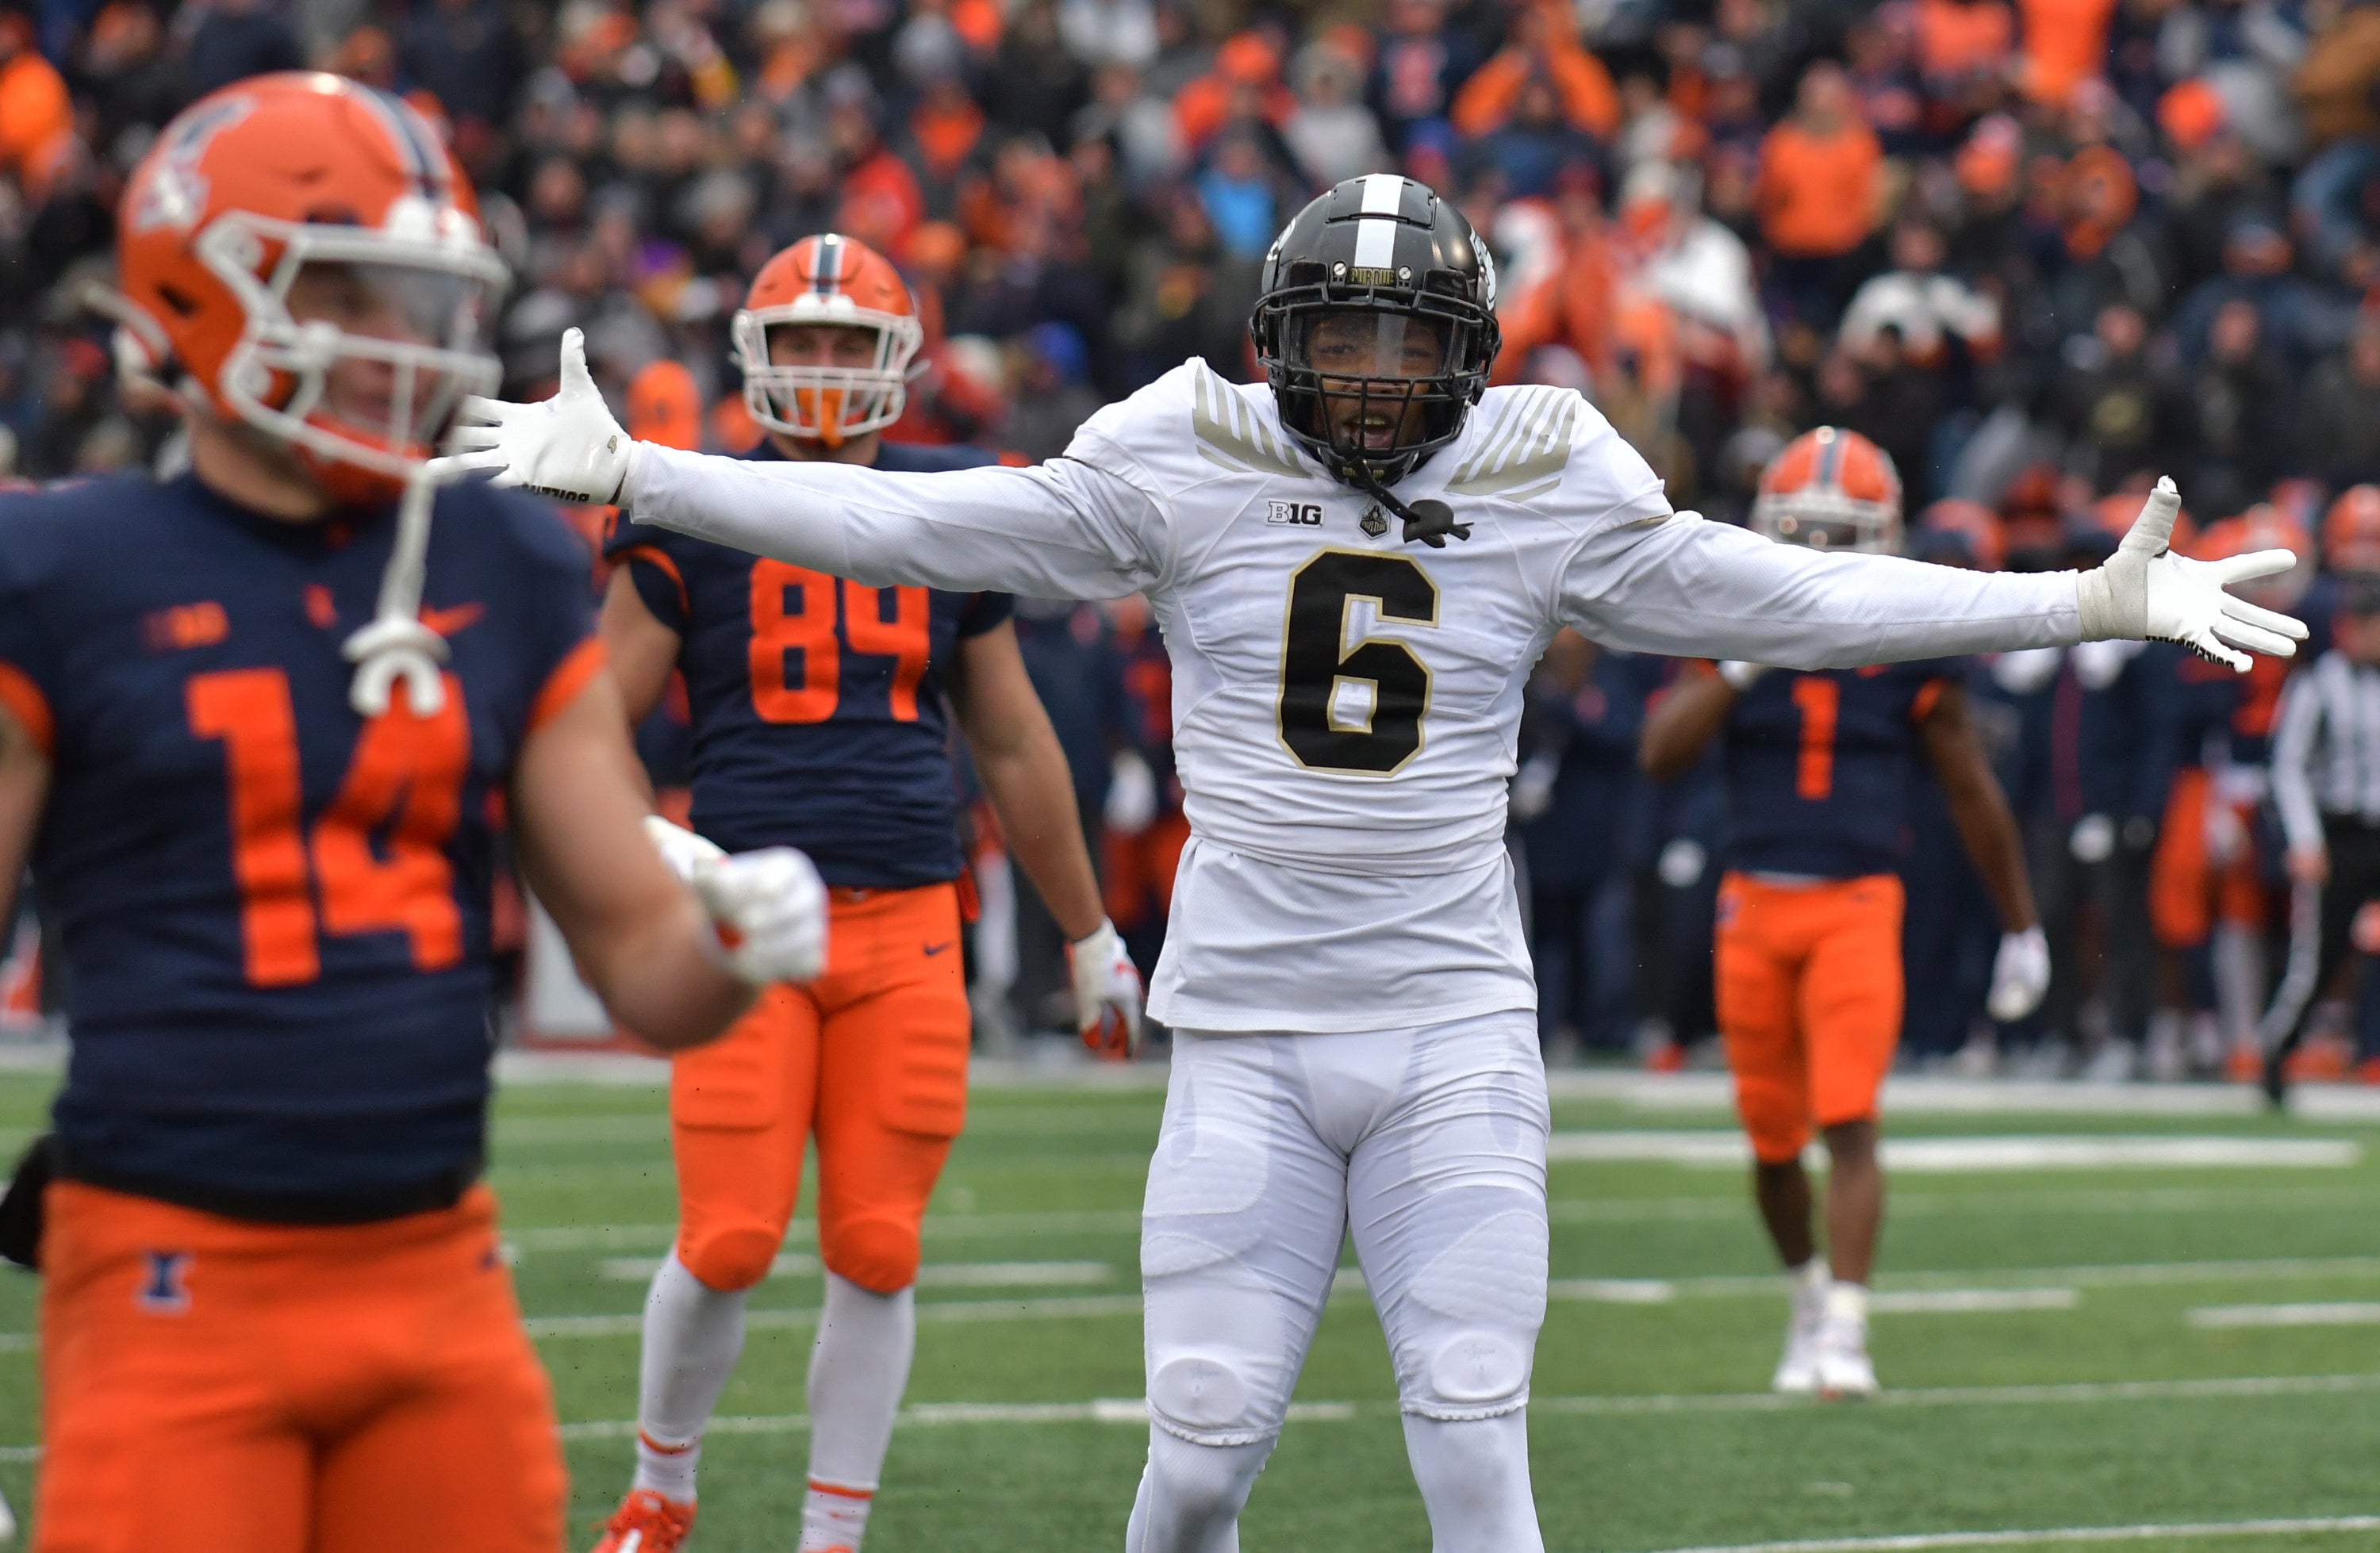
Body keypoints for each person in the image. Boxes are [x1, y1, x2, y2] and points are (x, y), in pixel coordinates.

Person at [450, 174, 2305, 1553]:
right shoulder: (1179, 456)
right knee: (1191, 1451)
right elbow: (919, 518)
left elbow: (1794, 592)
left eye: (1396, 341)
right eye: (1330, 338)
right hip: (1246, 1030)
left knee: (1474, 1436)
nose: (1359, 377)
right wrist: (656, 476)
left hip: (1447, 1030)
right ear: (1273, 343)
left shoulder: (1542, 470)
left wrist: (2078, 600)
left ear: (1464, 356)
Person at [0, 74, 827, 1551]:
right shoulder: (60, 573)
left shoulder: (499, 557)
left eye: (412, 300)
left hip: (435, 1274)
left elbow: (638, 953)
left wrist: (734, 949)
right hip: (166, 1272)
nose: (394, 344)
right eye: (349, 295)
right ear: (198, 298)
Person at [589, 232, 1139, 1553]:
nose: (827, 369)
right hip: (743, 930)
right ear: (754, 360)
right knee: (725, 1237)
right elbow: (588, 722)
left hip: (908, 923)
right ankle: (662, 1485)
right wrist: (659, 858)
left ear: (900, 363)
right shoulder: (692, 503)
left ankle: (831, 1535)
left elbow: (1009, 740)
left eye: (850, 343)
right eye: (803, 343)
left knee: (879, 1244)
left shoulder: (952, 501)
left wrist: (1088, 931)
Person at [1635, 428, 2050, 1398]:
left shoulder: (1905, 642)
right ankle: (1808, 1295)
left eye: (1839, 536)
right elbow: (1660, 754)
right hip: (1754, 903)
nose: (1818, 557)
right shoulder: (1728, 619)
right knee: (1774, 1139)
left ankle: (1850, 1328)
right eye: (1802, 534)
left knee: (1850, 1115)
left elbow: (1970, 786)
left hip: (1860, 900)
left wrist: (2020, 922)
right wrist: (1743, 660)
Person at [2260, 570, 2380, 1106]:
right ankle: (2277, 1051)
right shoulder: (2317, 683)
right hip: (2340, 834)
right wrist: (2305, 840)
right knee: (2320, 956)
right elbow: (2287, 768)